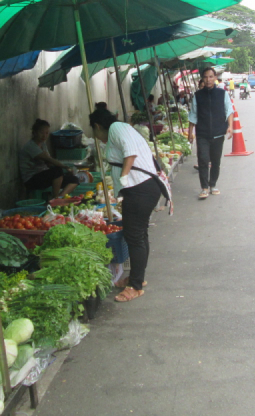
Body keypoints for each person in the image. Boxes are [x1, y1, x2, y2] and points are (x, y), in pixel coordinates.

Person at [89, 108, 168, 302]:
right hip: (142, 188)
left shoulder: (116, 127)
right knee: (139, 234)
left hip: (141, 188)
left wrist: (123, 176)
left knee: (134, 235)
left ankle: (136, 286)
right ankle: (137, 278)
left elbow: (130, 153)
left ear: (98, 126)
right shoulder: (121, 129)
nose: (97, 137)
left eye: (95, 132)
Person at [188, 66, 234, 199]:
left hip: (218, 133)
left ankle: (213, 184)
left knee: (215, 161)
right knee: (202, 160)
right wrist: (191, 132)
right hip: (202, 133)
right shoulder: (197, 96)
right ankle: (204, 188)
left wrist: (230, 126)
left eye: (211, 77)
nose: (208, 80)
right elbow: (193, 115)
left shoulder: (222, 94)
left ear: (215, 78)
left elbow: (229, 111)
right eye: (206, 77)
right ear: (202, 79)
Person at [20, 119, 80, 199]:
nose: (44, 136)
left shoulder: (43, 145)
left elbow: (49, 163)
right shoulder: (31, 146)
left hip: (43, 176)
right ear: (34, 132)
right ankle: (55, 198)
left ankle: (59, 198)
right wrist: (65, 167)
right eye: (41, 133)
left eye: (47, 133)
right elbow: (49, 159)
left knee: (74, 179)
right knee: (57, 171)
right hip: (31, 180)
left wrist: (65, 171)